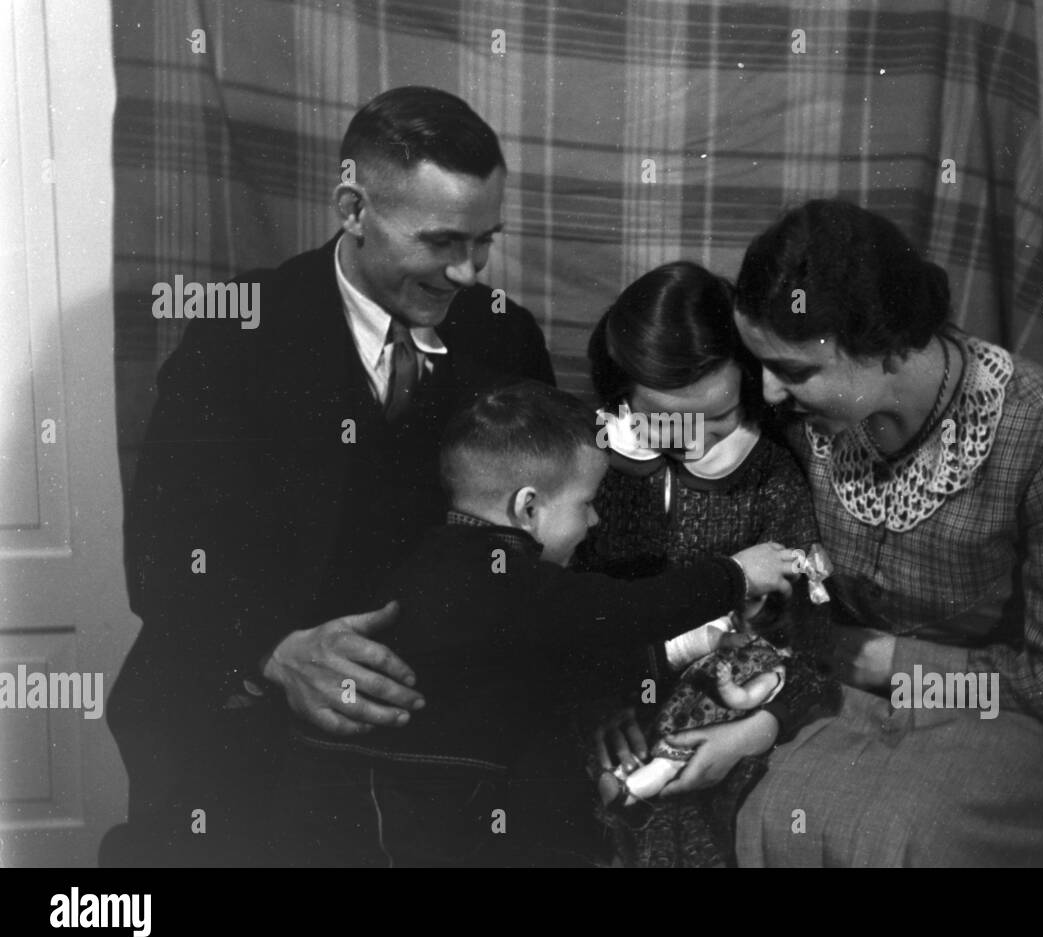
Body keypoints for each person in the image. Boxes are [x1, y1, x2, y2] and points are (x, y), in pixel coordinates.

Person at [104, 87, 555, 866]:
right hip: (248, 702)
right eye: (442, 239)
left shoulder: (504, 334)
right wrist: (276, 652)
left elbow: (550, 529)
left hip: (431, 712)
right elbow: (163, 550)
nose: (466, 270)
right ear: (353, 208)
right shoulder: (235, 332)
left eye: (486, 241)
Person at [720, 200, 1043, 866]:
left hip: (1022, 714)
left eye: (794, 371)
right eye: (761, 363)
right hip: (853, 688)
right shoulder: (804, 423)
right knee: (769, 811)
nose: (766, 392)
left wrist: (882, 659)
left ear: (887, 346)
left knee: (904, 837)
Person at [276, 381, 801, 866]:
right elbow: (627, 611)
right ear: (528, 508)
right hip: (421, 802)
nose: (594, 522)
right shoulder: (509, 577)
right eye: (588, 503)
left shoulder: (428, 559)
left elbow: (557, 660)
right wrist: (735, 574)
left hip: (347, 782)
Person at [576, 262, 840, 867]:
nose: (695, 442)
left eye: (719, 416)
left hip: (734, 710)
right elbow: (559, 610)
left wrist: (757, 727)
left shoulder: (770, 477)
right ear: (622, 397)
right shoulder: (588, 465)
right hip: (608, 702)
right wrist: (594, 699)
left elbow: (813, 645)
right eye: (668, 419)